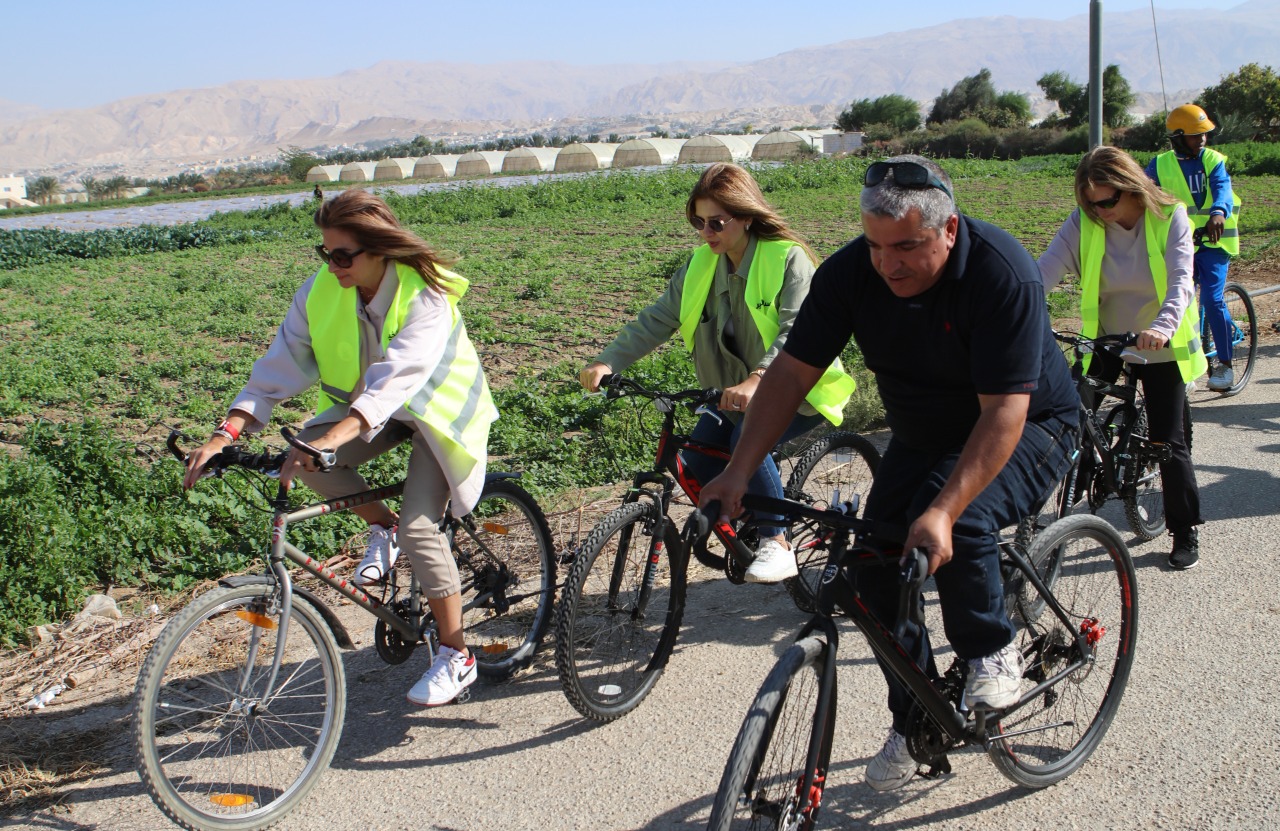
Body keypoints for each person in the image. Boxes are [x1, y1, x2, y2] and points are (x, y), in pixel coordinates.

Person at [699, 155, 1079, 791]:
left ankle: (991, 645)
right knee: (874, 572)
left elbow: (1005, 412)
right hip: (924, 433)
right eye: (876, 246)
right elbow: (791, 374)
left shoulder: (999, 272)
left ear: (949, 230)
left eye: (907, 246)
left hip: (1028, 424)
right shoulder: (853, 272)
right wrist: (739, 471)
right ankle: (917, 723)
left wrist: (943, 510)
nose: (888, 263)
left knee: (963, 518)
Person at [181, 188, 499, 706]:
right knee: (298, 456)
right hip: (370, 411)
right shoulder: (321, 292)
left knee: (422, 528)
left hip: (437, 414)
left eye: (342, 255)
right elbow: (275, 369)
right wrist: (226, 433)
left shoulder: (426, 297)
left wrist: (330, 438)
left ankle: (456, 655)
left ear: (380, 250)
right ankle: (382, 526)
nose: (332, 265)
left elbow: (394, 382)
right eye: (325, 253)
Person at [578, 162, 854, 583]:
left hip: (796, 391)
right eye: (698, 222)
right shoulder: (700, 266)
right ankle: (749, 504)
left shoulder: (788, 258)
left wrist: (758, 378)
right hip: (728, 395)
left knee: (747, 437)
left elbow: (799, 331)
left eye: (715, 222)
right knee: (696, 459)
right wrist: (607, 360)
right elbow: (656, 319)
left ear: (745, 217)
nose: (705, 232)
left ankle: (775, 541)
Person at [1041, 145, 1207, 570]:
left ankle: (1184, 528)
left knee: (1167, 442)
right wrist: (1013, 310)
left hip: (1158, 340)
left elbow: (1181, 282)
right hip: (1107, 338)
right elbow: (1043, 272)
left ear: (1131, 186)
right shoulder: (1086, 222)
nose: (1099, 210)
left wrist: (1164, 328)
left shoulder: (1170, 218)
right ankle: (1061, 512)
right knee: (1072, 423)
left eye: (1106, 200)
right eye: (1089, 202)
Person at [1145, 103, 1241, 392]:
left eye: (1204, 134)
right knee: (1180, 303)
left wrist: (1218, 213)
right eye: (1194, 135)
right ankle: (1186, 369)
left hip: (1214, 243)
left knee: (1212, 301)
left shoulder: (1213, 159)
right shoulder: (1159, 165)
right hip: (1182, 244)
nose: (1201, 140)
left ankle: (1225, 364)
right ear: (1177, 137)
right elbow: (1144, 191)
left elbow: (1222, 187)